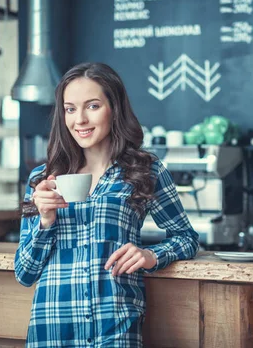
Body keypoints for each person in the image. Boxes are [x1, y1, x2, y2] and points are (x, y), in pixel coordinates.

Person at [14, 62, 199, 347]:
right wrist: (45, 221)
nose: (80, 120)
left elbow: (186, 238)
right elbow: (25, 273)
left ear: (114, 108)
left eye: (93, 106)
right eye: (70, 109)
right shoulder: (42, 179)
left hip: (115, 327)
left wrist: (151, 255)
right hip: (52, 329)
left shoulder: (145, 170)